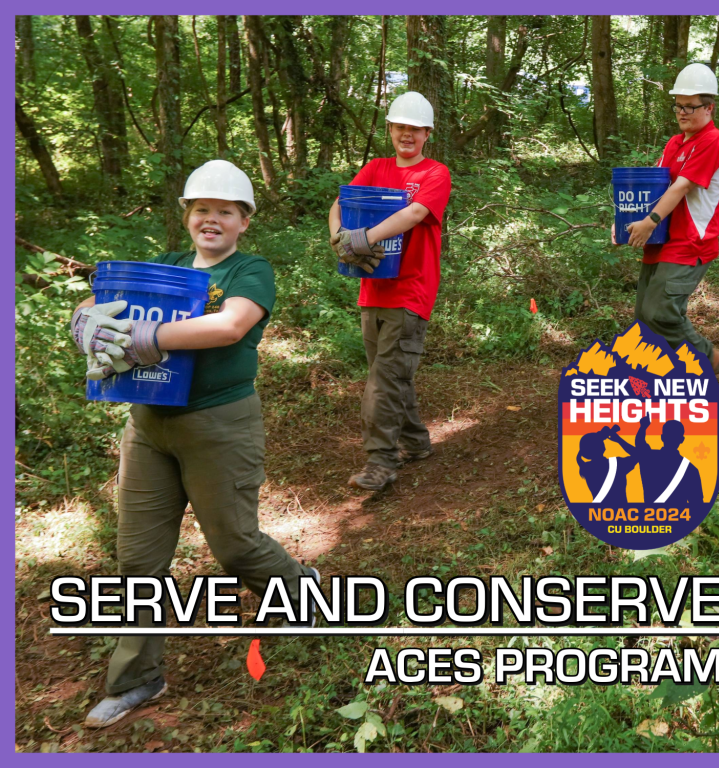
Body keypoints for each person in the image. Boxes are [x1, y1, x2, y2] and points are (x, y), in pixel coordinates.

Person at [71, 160, 319, 728]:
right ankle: (137, 679)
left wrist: (144, 336)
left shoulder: (249, 271)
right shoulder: (171, 268)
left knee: (235, 547)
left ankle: (305, 595)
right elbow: (102, 298)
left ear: (243, 222)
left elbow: (229, 326)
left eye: (224, 212)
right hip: (148, 425)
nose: (211, 219)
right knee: (138, 560)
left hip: (219, 423)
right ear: (187, 216)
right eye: (201, 209)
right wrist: (84, 322)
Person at [328, 92, 452, 491]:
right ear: (390, 130)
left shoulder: (435, 173)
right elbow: (340, 204)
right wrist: (339, 238)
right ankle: (415, 442)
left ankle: (381, 461)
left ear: (427, 133)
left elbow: (415, 214)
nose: (406, 135)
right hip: (372, 291)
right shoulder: (376, 168)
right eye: (400, 127)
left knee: (383, 380)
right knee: (390, 375)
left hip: (411, 291)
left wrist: (362, 238)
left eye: (414, 129)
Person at [618, 63, 719, 374]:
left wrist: (649, 220)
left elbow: (681, 187)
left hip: (690, 243)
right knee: (644, 316)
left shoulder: (713, 141)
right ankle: (669, 375)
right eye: (678, 106)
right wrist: (624, 222)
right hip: (662, 240)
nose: (682, 112)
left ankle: (709, 359)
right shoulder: (675, 143)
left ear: (709, 108)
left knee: (661, 313)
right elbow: (653, 188)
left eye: (690, 106)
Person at [635, 415, 704, 505]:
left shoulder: (649, 457)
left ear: (662, 437)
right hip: (679, 518)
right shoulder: (691, 469)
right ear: (682, 440)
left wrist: (643, 427)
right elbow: (697, 504)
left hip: (650, 516)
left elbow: (639, 443)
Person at [576, 425, 639, 505]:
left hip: (599, 514)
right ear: (603, 447)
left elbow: (582, 452)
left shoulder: (586, 468)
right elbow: (638, 454)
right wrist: (618, 439)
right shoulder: (618, 464)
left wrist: (600, 436)